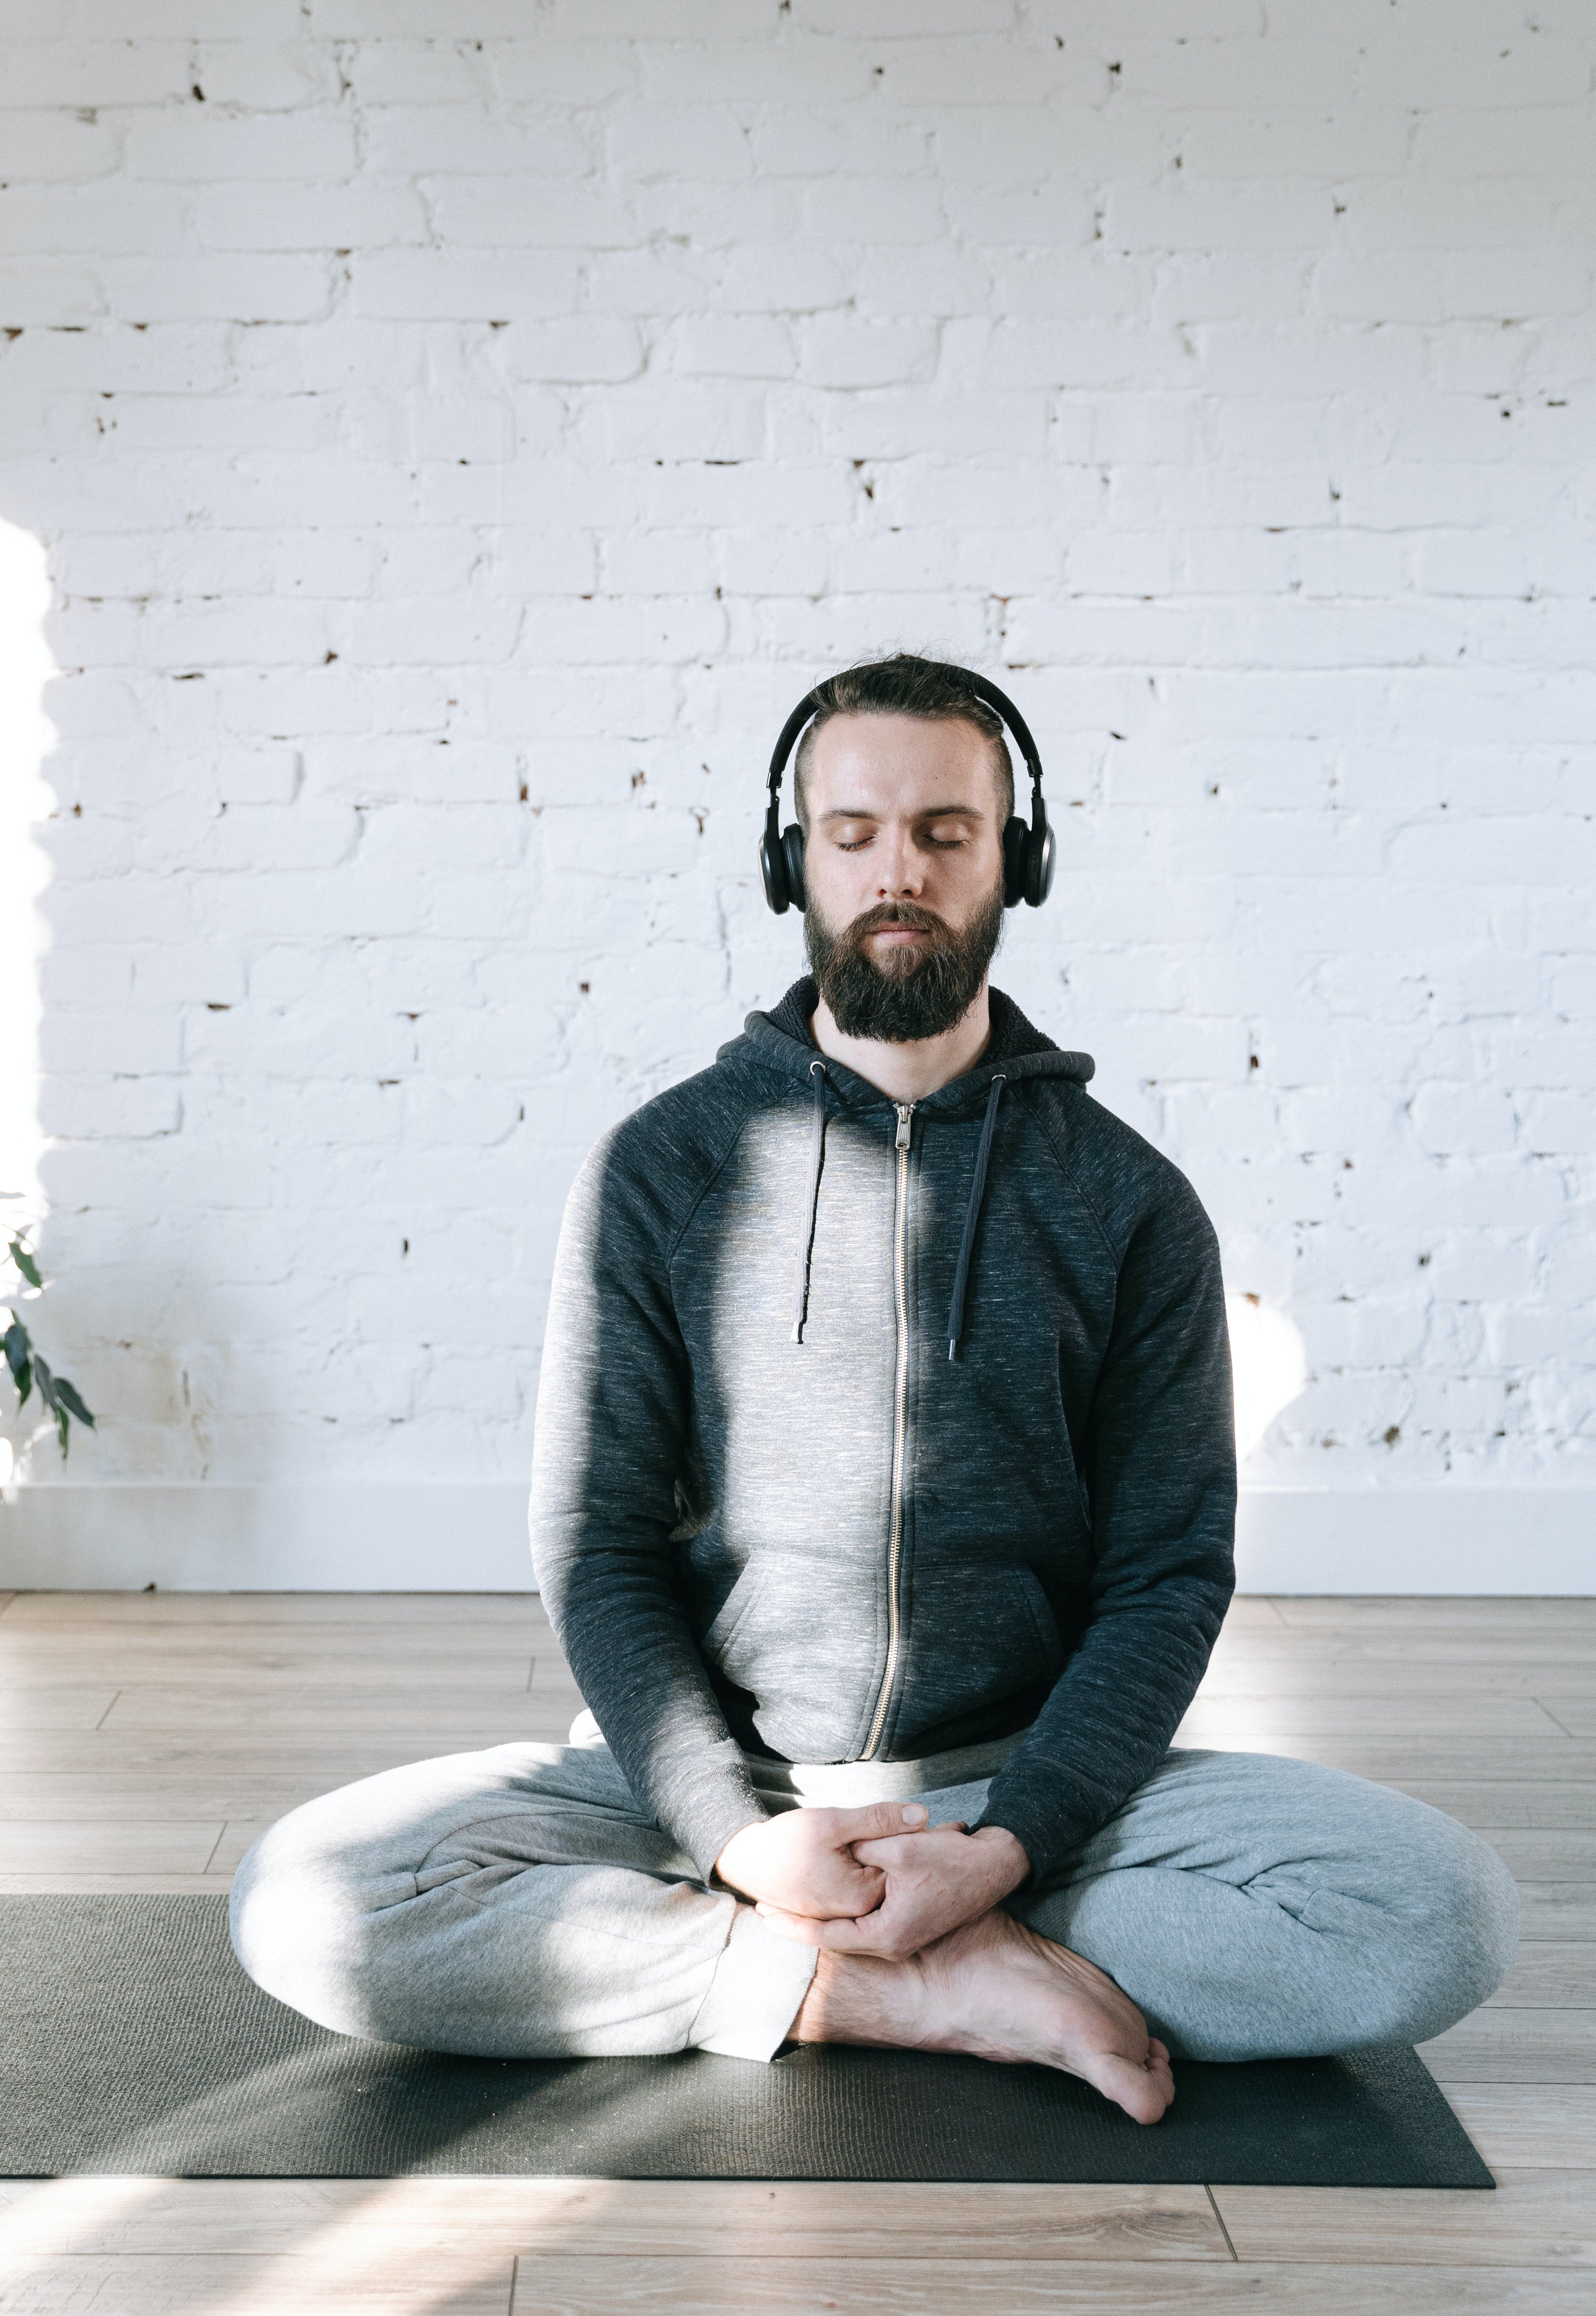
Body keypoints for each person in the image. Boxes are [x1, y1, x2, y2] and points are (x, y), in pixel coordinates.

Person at [232, 653, 1518, 2120]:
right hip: (719, 1796)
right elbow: (594, 1544)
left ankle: (853, 1951)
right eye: (852, 833)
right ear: (796, 861)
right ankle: (898, 1981)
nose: (896, 869)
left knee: (1442, 1915)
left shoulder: (1129, 1202)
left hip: (1032, 1795)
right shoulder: (661, 1168)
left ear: (1013, 861)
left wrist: (1011, 1842)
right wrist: (730, 1833)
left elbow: (1167, 1574)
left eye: (944, 831)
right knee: (301, 1899)